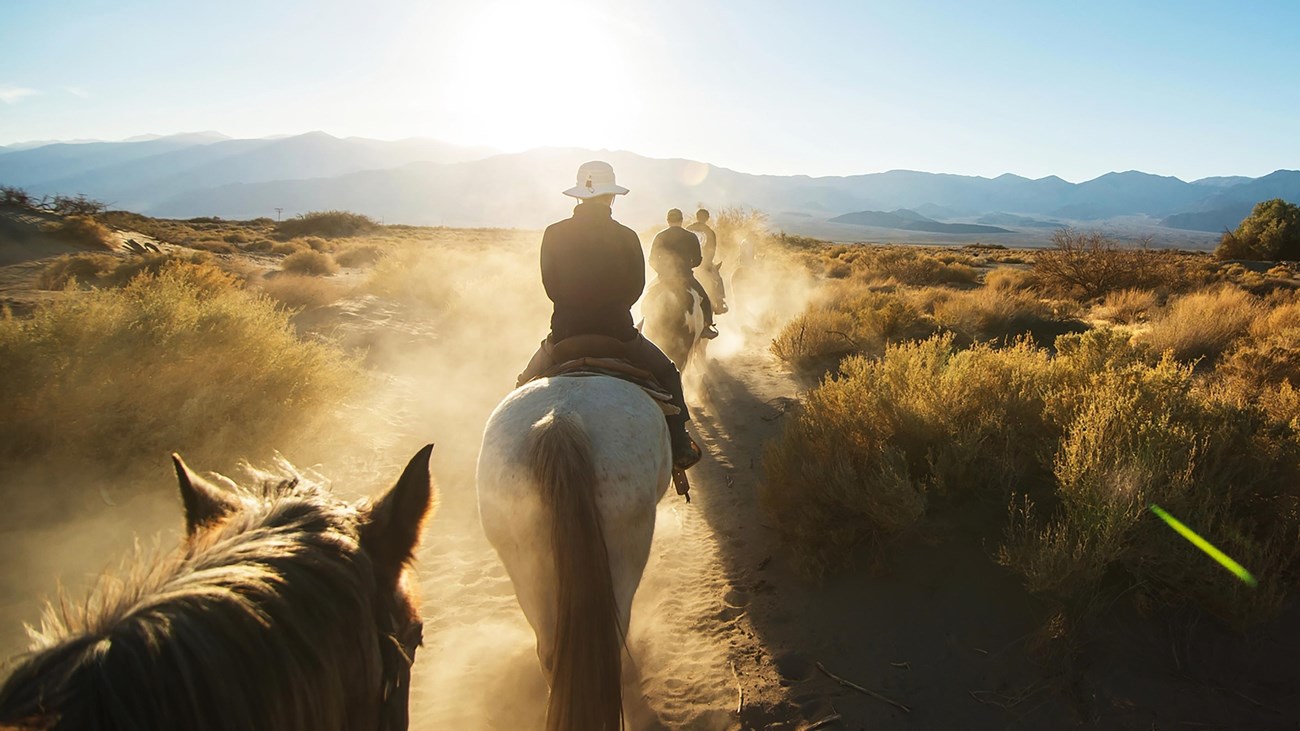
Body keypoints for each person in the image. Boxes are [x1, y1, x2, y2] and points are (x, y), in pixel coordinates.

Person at [518, 161, 701, 469]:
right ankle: (680, 443)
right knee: (669, 373)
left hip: (565, 334)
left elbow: (551, 287)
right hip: (619, 335)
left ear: (579, 196)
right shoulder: (627, 236)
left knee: (522, 386)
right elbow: (636, 288)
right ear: (611, 197)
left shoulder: (553, 233)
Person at [650, 208, 719, 339]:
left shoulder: (660, 236)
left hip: (663, 278)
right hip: (685, 277)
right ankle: (707, 326)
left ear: (668, 220)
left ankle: (644, 321)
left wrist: (661, 271)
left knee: (647, 297)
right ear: (681, 221)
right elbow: (698, 260)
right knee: (704, 299)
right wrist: (686, 267)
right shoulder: (691, 236)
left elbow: (652, 259)